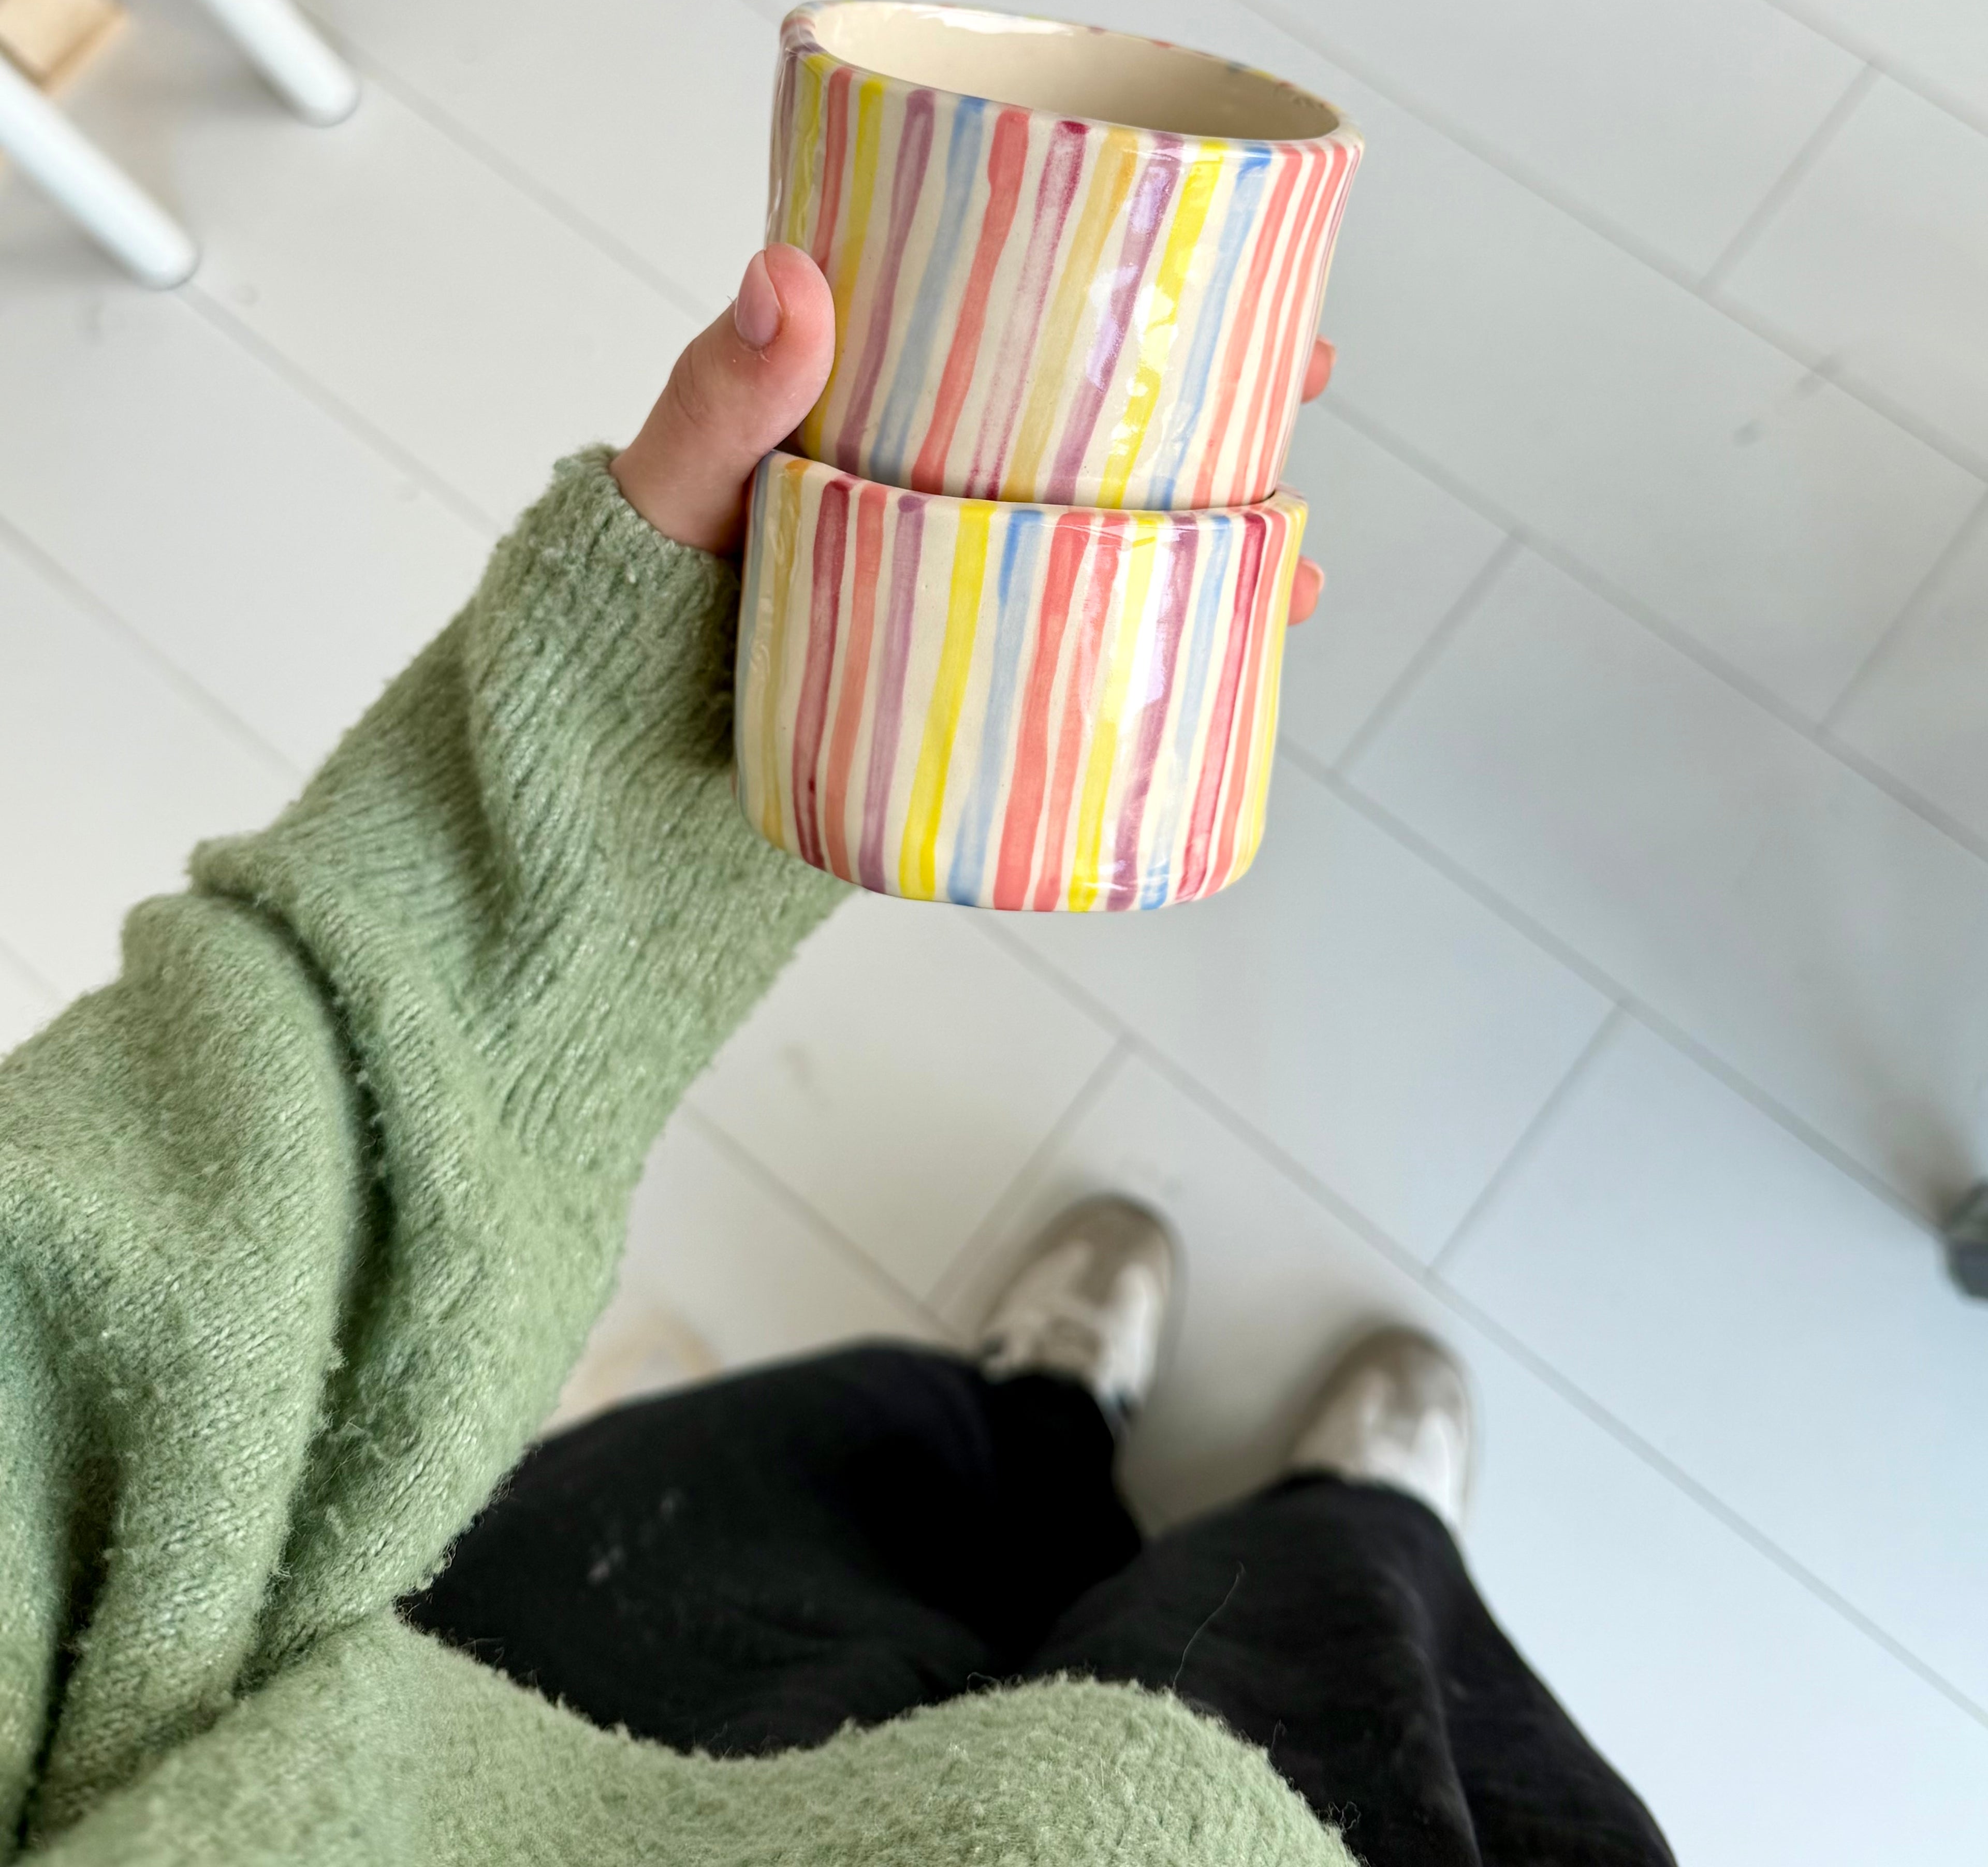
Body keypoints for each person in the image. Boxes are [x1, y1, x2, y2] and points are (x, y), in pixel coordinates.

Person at [0, 244, 1673, 1867]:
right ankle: (1350, 1527)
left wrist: (595, 843)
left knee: (855, 1468)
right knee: (1340, 1644)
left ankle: (1035, 1419)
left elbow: (79, 1368)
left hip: (535, 1708)